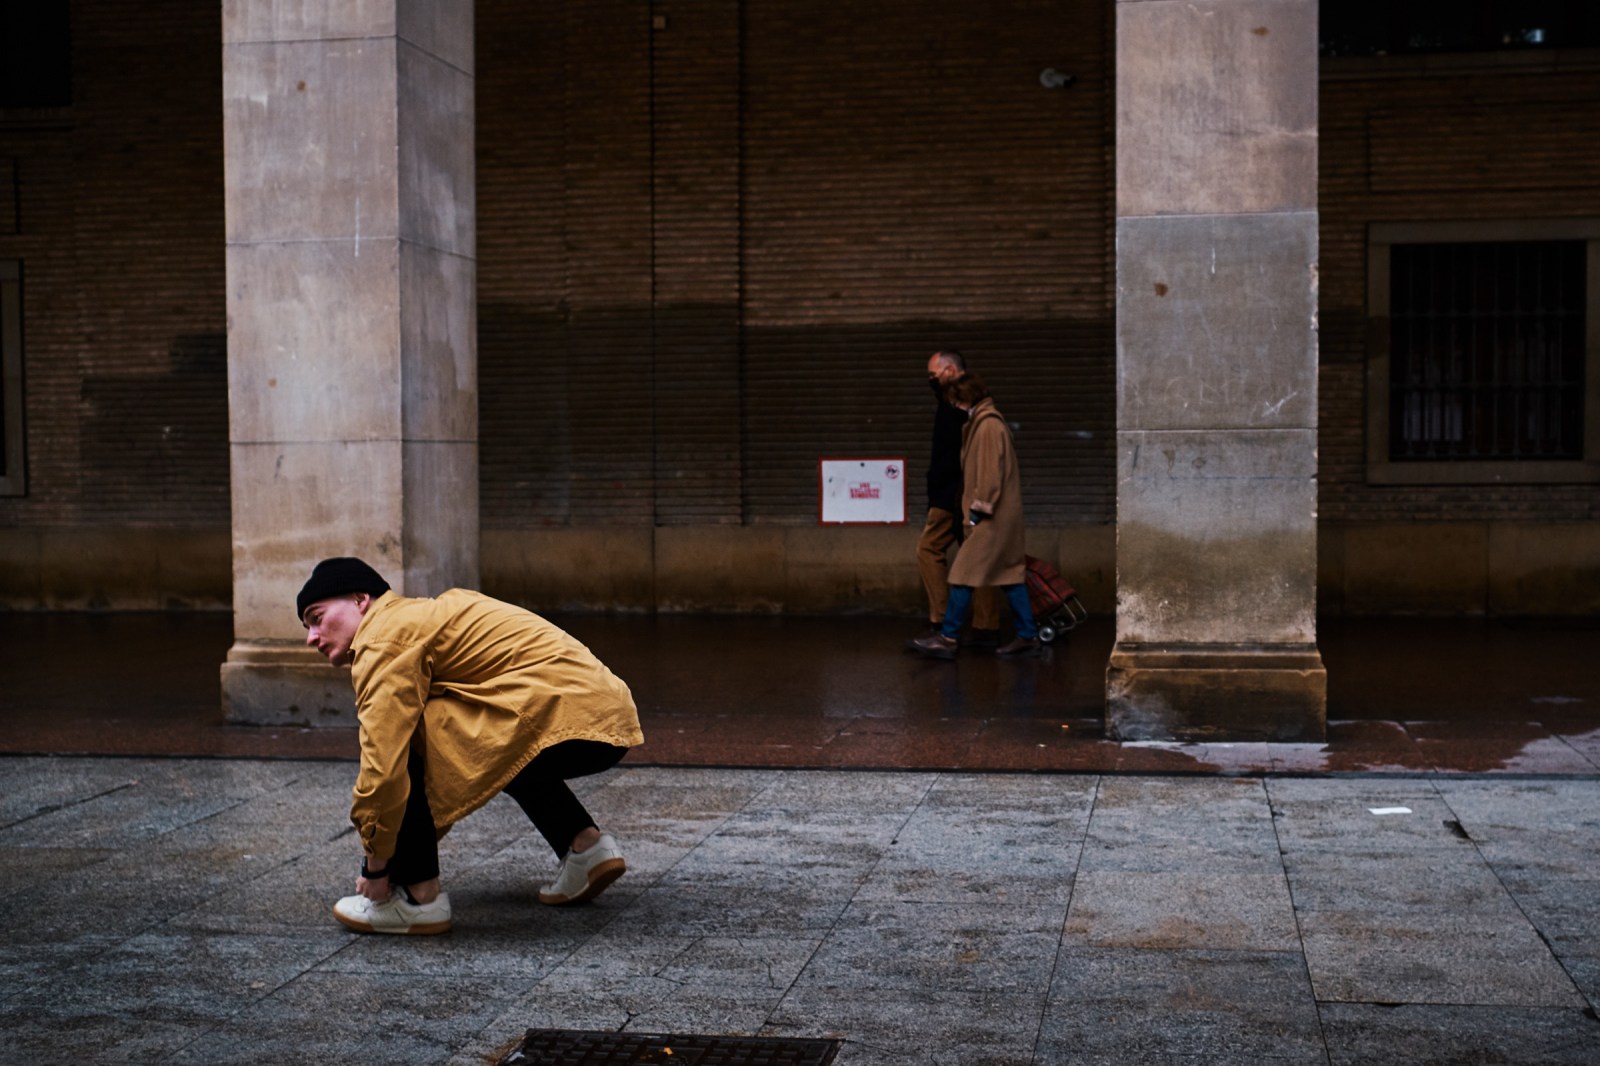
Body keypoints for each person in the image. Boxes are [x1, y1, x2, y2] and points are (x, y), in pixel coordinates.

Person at [297, 557, 644, 935]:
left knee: (409, 736)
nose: (311, 638)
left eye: (316, 618)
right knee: (488, 735)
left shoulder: (383, 638)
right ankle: (585, 846)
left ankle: (418, 897)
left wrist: (376, 868)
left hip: (560, 720)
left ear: (361, 599)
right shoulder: (425, 616)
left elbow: (383, 767)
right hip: (602, 716)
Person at [909, 373, 1040, 660]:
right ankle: (1028, 636)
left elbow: (990, 475)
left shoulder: (988, 426)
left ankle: (948, 637)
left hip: (990, 517)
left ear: (967, 398)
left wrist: (977, 512)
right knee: (1009, 576)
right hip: (998, 517)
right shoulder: (984, 423)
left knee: (962, 574)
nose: (955, 406)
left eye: (956, 401)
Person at [914, 350, 1001, 646]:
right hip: (958, 494)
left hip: (954, 496)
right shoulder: (965, 401)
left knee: (930, 549)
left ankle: (943, 622)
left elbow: (958, 457)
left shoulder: (958, 404)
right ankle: (985, 627)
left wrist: (956, 497)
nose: (930, 380)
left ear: (950, 370)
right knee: (978, 559)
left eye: (933, 374)